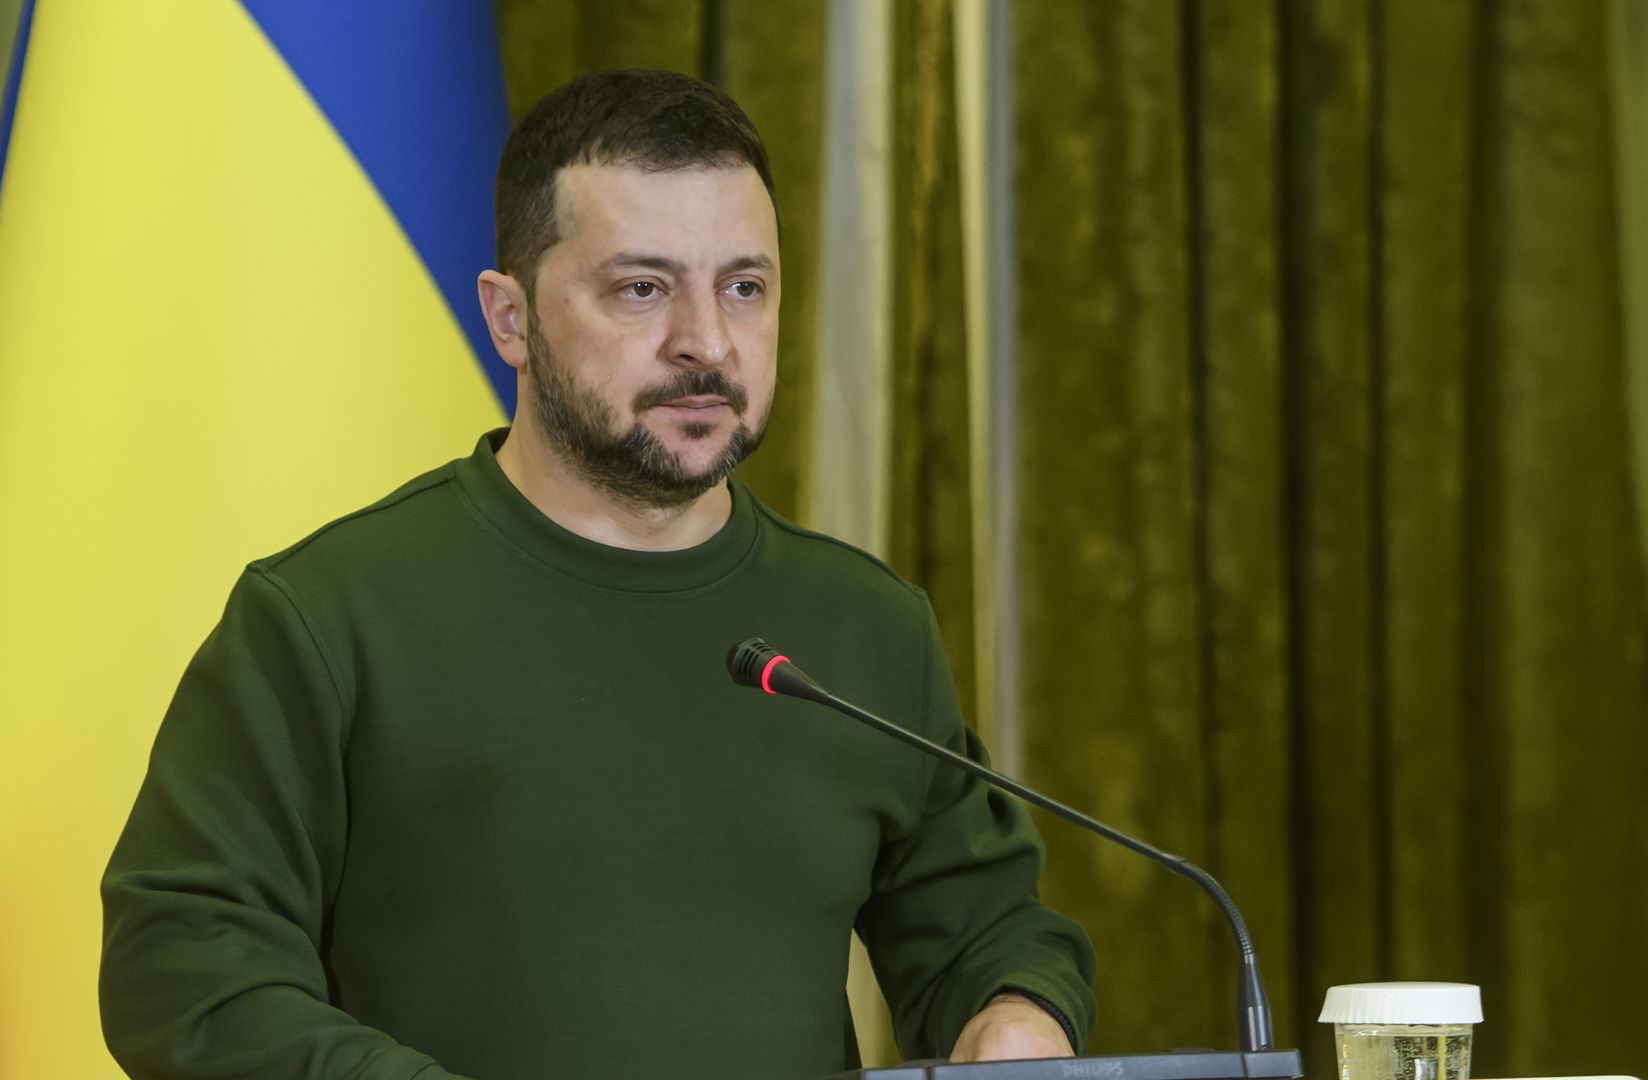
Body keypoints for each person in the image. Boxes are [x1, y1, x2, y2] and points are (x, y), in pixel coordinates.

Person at [99, 69, 1094, 1080]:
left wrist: (1013, 1016)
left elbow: (982, 933)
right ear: (510, 318)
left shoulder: (865, 629)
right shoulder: (327, 617)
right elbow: (184, 964)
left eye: (744, 286)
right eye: (641, 288)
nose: (706, 343)